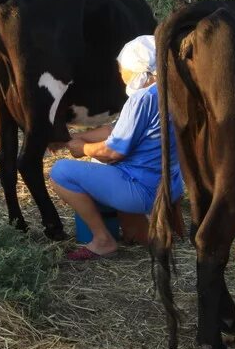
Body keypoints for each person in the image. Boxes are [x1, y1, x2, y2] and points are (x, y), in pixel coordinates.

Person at [49, 35, 185, 261]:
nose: (122, 75)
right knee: (98, 166)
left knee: (61, 172)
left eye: (125, 69)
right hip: (170, 184)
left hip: (143, 189)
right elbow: (117, 129)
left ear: (140, 69)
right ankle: (141, 230)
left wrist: (83, 148)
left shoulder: (142, 98)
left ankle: (102, 240)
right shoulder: (171, 90)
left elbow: (114, 152)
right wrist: (75, 137)